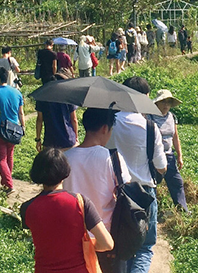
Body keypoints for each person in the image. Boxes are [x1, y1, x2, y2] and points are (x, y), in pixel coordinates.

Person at [106, 77, 167, 273]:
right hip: (145, 194)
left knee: (121, 245)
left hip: (117, 192)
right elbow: (161, 166)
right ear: (144, 97)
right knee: (144, 247)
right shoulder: (150, 127)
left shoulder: (111, 124)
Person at [20, 148, 114, 273]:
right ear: (65, 171)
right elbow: (107, 243)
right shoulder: (80, 202)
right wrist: (88, 246)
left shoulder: (27, 208)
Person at [63, 108, 131, 273]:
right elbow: (127, 192)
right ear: (104, 128)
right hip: (106, 236)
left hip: (74, 238)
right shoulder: (112, 158)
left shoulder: (65, 158)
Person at [0, 66, 26, 194]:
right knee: (9, 156)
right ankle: (6, 182)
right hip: (13, 130)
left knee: (1, 159)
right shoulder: (17, 92)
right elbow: (21, 112)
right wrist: (23, 126)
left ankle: (9, 184)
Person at [146, 90, 188, 213]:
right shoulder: (149, 117)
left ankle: (182, 209)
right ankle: (151, 210)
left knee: (176, 181)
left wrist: (179, 155)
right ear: (157, 103)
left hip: (169, 155)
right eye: (163, 102)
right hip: (154, 155)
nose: (166, 105)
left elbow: (175, 137)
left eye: (168, 103)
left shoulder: (172, 117)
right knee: (153, 182)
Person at [35, 72, 79, 153]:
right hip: (68, 140)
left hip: (50, 141)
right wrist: (76, 137)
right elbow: (74, 120)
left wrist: (38, 139)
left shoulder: (42, 97)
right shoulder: (68, 96)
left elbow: (39, 120)